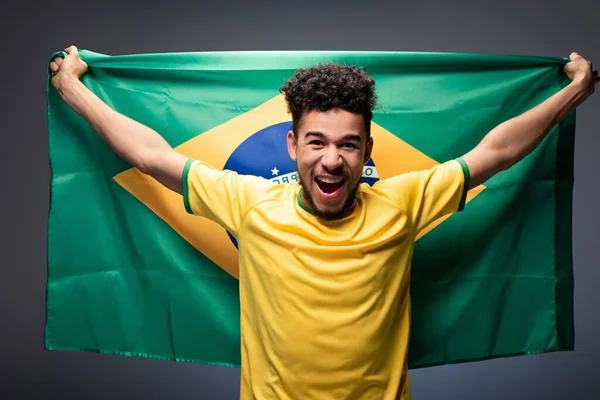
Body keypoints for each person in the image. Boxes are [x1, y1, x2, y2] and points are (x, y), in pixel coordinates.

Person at [49, 46, 598, 400]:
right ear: (292, 145)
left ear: (366, 152)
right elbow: (151, 156)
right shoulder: (250, 203)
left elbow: (496, 153)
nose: (331, 160)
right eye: (316, 142)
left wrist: (573, 91)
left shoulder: (403, 203)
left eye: (347, 144)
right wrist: (73, 87)